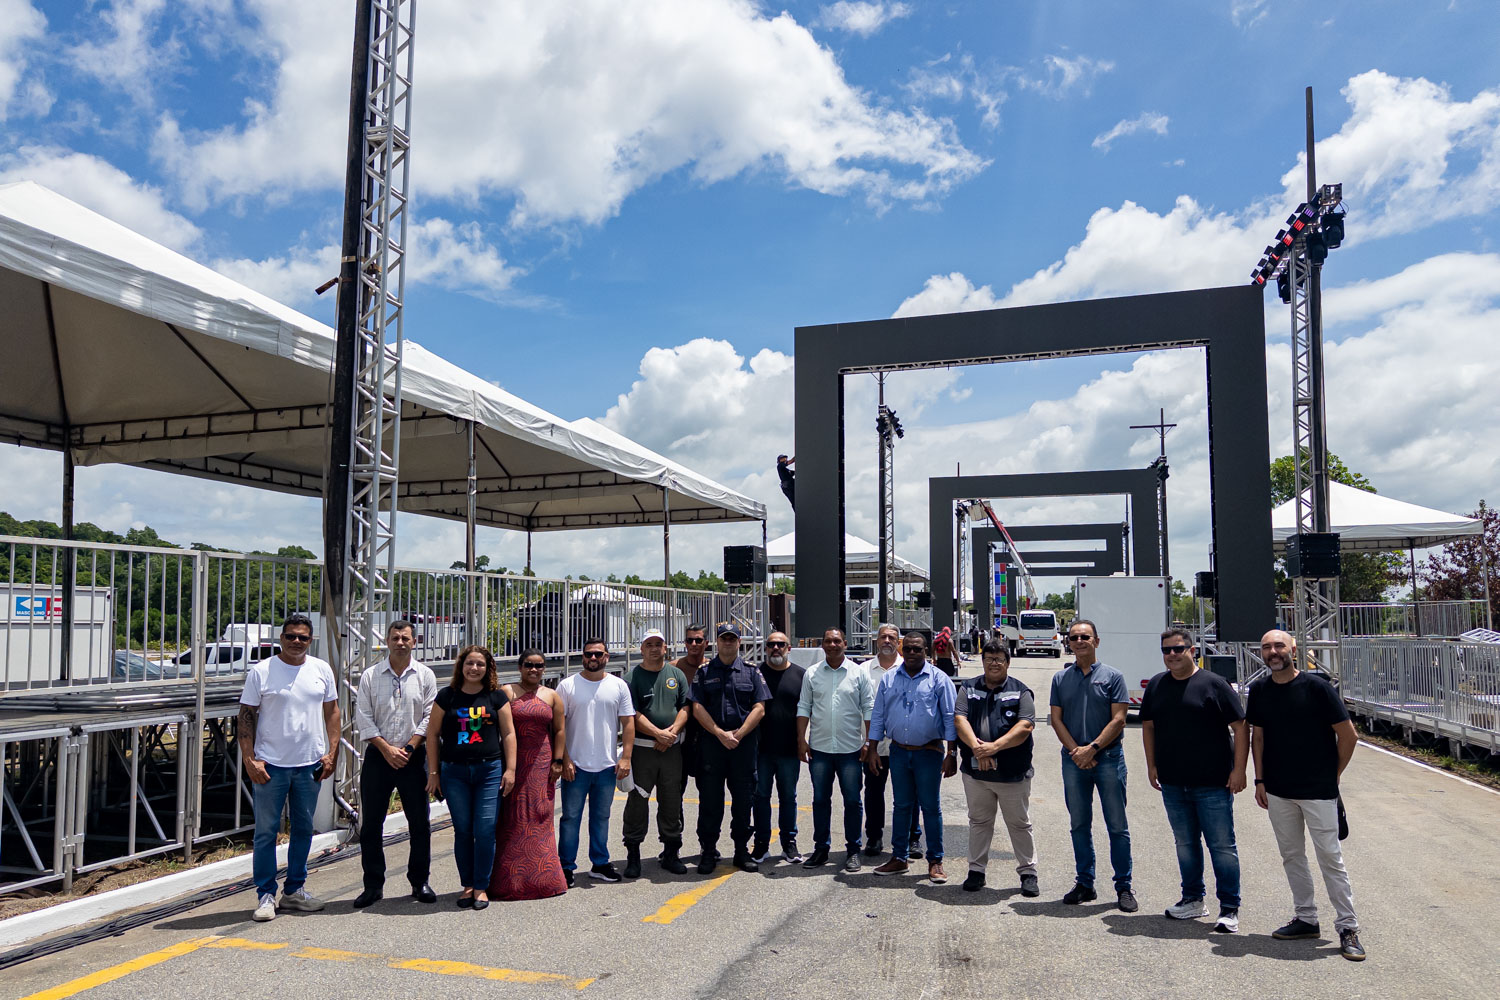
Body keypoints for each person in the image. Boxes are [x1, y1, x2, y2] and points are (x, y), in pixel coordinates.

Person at [1247, 629, 1365, 961]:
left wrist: (1334, 775)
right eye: (1267, 646)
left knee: (1330, 858)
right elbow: (1259, 737)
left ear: (1294, 650)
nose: (1273, 651)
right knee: (1292, 856)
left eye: (1279, 646)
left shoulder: (1318, 688)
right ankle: (1306, 919)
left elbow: (1348, 736)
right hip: (1278, 790)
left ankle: (1348, 927)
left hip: (1318, 791)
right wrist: (1259, 779)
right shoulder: (1258, 690)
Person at [1141, 627, 1247, 932]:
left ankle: (1229, 908)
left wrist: (1238, 770)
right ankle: (1192, 900)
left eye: (1178, 649)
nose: (1172, 655)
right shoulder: (1158, 685)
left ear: (1193, 650)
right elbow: (1148, 726)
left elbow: (1241, 727)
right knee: (1185, 844)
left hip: (1213, 782)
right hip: (1173, 782)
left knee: (1222, 846)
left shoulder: (1213, 684)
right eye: (1166, 650)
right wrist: (1151, 765)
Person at [239, 613, 340, 922]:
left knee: (303, 830)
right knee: (267, 832)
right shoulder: (262, 671)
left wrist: (331, 753)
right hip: (271, 766)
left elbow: (333, 712)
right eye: (291, 636)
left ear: (311, 641)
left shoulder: (321, 669)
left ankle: (294, 891)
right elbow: (245, 715)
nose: (297, 641)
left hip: (309, 765)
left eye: (303, 637)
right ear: (280, 638)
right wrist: (250, 760)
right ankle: (265, 895)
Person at [1049, 618, 1136, 911]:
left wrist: (1093, 748)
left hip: (1108, 758)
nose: (1079, 641)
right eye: (1074, 637)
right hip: (1074, 762)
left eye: (1085, 636)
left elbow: (1119, 719)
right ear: (1068, 643)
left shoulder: (1113, 677)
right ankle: (1085, 883)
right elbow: (1056, 719)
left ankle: (1124, 887)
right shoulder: (1060, 679)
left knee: (1117, 826)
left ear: (1096, 641)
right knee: (1079, 825)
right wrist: (1077, 752)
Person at [352, 619, 439, 908]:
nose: (400, 642)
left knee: (419, 824)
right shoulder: (370, 675)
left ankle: (419, 882)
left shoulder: (425, 675)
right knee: (371, 826)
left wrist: (411, 746)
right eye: (395, 638)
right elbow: (362, 715)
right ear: (387, 641)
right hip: (379, 755)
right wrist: (386, 749)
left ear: (415, 642)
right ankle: (373, 886)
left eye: (405, 638)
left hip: (413, 756)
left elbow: (430, 715)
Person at [426, 645, 516, 910]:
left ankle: (481, 886)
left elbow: (509, 734)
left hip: (489, 771)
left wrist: (510, 770)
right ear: (461, 666)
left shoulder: (496, 697)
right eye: (469, 663)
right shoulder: (447, 696)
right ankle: (467, 885)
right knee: (463, 830)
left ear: (488, 668)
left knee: (486, 829)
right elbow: (432, 735)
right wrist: (434, 772)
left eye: (480, 664)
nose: (474, 668)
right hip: (454, 772)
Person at [867, 631, 958, 884]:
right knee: (902, 806)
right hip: (898, 752)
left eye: (917, 649)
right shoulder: (889, 679)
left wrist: (951, 753)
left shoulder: (939, 680)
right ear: (900, 649)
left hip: (928, 752)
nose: (912, 653)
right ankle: (899, 857)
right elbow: (878, 716)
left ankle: (936, 861)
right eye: (907, 649)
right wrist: (872, 748)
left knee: (930, 807)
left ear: (926, 651)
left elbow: (950, 718)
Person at [953, 640, 1039, 896]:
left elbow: (1025, 726)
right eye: (989, 658)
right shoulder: (968, 688)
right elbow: (960, 720)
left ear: (1008, 663)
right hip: (976, 772)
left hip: (1012, 774)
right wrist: (980, 750)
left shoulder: (1021, 691)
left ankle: (1028, 873)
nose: (994, 663)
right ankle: (976, 871)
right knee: (979, 822)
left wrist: (994, 748)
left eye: (999, 659)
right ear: (983, 661)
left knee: (1019, 823)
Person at [689, 623, 770, 873]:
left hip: (743, 745)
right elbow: (697, 707)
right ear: (717, 641)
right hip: (712, 744)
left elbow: (760, 707)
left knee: (744, 800)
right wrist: (719, 733)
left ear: (739, 641)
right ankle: (709, 851)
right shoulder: (704, 672)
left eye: (732, 638)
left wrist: (739, 734)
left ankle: (740, 851)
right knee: (710, 800)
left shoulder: (752, 672)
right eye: (724, 638)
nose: (727, 642)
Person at [490, 649, 569, 901]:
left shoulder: (551, 695)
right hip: (512, 763)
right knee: (511, 820)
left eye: (539, 665)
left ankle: (545, 881)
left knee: (541, 817)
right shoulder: (506, 692)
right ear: (519, 667)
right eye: (528, 665)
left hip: (542, 764)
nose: (533, 670)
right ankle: (509, 883)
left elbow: (559, 730)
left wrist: (558, 760)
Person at [556, 638, 635, 886]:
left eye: (598, 654)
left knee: (601, 817)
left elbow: (628, 723)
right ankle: (565, 867)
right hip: (575, 766)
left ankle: (600, 863)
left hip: (606, 766)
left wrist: (626, 757)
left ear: (607, 657)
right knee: (570, 818)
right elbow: (558, 727)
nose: (593, 658)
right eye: (589, 654)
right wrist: (564, 759)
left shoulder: (618, 686)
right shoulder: (567, 686)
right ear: (582, 657)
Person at [796, 627, 872, 872]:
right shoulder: (812, 673)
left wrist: (869, 742)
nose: (832, 645)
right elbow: (804, 707)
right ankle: (821, 849)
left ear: (845, 643)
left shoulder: (858, 673)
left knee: (852, 800)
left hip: (850, 749)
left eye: (836, 641)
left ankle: (853, 850)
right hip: (820, 749)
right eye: (828, 641)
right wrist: (801, 740)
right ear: (823, 645)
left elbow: (869, 709)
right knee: (820, 800)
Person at [624, 630, 691, 877]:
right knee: (637, 801)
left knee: (672, 800)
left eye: (658, 644)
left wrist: (671, 732)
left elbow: (684, 706)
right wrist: (657, 734)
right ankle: (633, 855)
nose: (654, 648)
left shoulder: (676, 675)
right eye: (649, 644)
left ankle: (671, 853)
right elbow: (631, 713)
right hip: (644, 750)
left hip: (672, 749)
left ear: (665, 648)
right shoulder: (632, 677)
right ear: (641, 649)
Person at [859, 625, 922, 860]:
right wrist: (866, 742)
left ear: (899, 642)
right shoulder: (863, 670)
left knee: (907, 794)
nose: (887, 641)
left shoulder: (910, 669)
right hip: (873, 745)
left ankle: (912, 839)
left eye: (892, 638)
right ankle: (874, 837)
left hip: (904, 743)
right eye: (883, 637)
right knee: (874, 793)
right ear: (876, 640)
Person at [753, 630, 806, 865]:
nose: (776, 648)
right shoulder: (755, 674)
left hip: (788, 750)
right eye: (771, 644)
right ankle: (761, 845)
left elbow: (806, 713)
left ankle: (789, 844)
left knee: (788, 797)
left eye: (780, 644)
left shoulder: (801, 676)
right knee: (761, 796)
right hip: (760, 750)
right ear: (766, 648)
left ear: (789, 648)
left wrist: (802, 742)